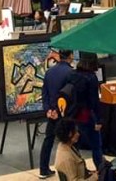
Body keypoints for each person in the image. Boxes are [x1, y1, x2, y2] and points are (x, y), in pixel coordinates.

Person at [38, 50, 75, 179]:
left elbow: (45, 94)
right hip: (65, 114)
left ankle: (43, 169)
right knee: (71, 139)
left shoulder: (49, 72)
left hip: (52, 113)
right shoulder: (71, 73)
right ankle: (74, 167)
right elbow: (68, 94)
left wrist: (49, 110)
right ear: (70, 56)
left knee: (48, 139)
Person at [67, 56, 103, 169]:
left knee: (75, 143)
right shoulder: (91, 78)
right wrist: (99, 120)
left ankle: (79, 168)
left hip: (73, 113)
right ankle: (101, 169)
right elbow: (94, 101)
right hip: (87, 114)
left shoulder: (72, 74)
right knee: (96, 145)